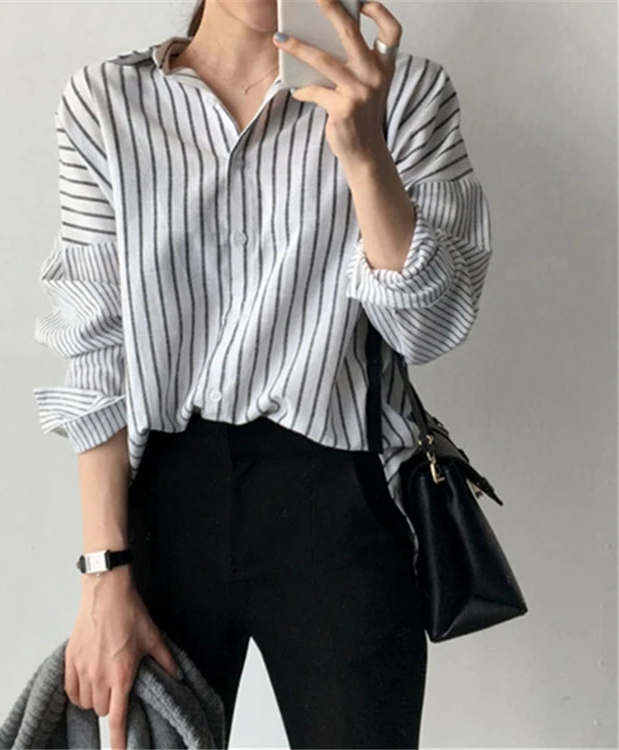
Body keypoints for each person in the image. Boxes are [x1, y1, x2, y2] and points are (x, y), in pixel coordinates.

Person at [32, 0, 494, 747]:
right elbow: (96, 352)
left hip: (341, 502)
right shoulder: (108, 102)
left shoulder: (406, 95)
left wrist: (365, 154)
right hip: (163, 510)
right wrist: (102, 572)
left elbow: (430, 329)